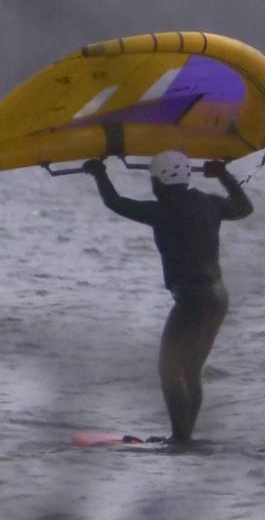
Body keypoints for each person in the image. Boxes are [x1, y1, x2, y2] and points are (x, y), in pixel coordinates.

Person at [90, 149, 252, 446]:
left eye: (153, 180)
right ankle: (185, 437)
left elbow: (115, 202)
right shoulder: (208, 203)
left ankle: (180, 440)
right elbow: (244, 209)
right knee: (190, 371)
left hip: (193, 299)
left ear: (160, 181)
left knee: (169, 372)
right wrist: (225, 177)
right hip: (218, 296)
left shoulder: (162, 210)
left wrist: (98, 171)